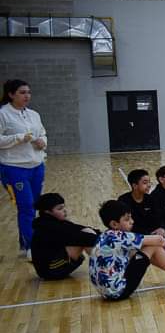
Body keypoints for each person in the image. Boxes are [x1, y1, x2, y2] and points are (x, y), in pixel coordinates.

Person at [89, 199, 165, 300]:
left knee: (141, 248)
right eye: (127, 219)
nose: (132, 221)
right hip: (119, 291)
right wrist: (164, 242)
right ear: (114, 224)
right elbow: (157, 240)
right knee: (152, 246)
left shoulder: (105, 235)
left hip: (105, 291)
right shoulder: (121, 236)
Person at [0, 79, 48, 257]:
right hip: (14, 168)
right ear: (11, 94)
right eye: (22, 92)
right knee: (26, 206)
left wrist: (43, 141)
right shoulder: (3, 114)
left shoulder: (34, 114)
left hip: (36, 165)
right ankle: (31, 246)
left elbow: (42, 132)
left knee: (34, 205)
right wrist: (19, 137)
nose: (27, 95)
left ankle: (26, 241)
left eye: (28, 92)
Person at [30, 193, 99, 280]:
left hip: (55, 263)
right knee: (85, 239)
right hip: (49, 270)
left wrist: (103, 234)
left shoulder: (53, 221)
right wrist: (107, 239)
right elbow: (82, 238)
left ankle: (104, 267)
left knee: (87, 232)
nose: (65, 210)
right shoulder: (48, 227)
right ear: (47, 211)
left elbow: (80, 229)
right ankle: (104, 268)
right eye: (60, 209)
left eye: (64, 207)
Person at [118, 169, 165, 244]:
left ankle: (155, 241)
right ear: (135, 186)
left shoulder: (151, 198)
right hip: (135, 231)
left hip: (151, 231)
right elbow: (125, 223)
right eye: (145, 183)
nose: (149, 185)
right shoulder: (123, 200)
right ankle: (159, 242)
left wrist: (161, 228)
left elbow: (158, 217)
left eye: (149, 182)